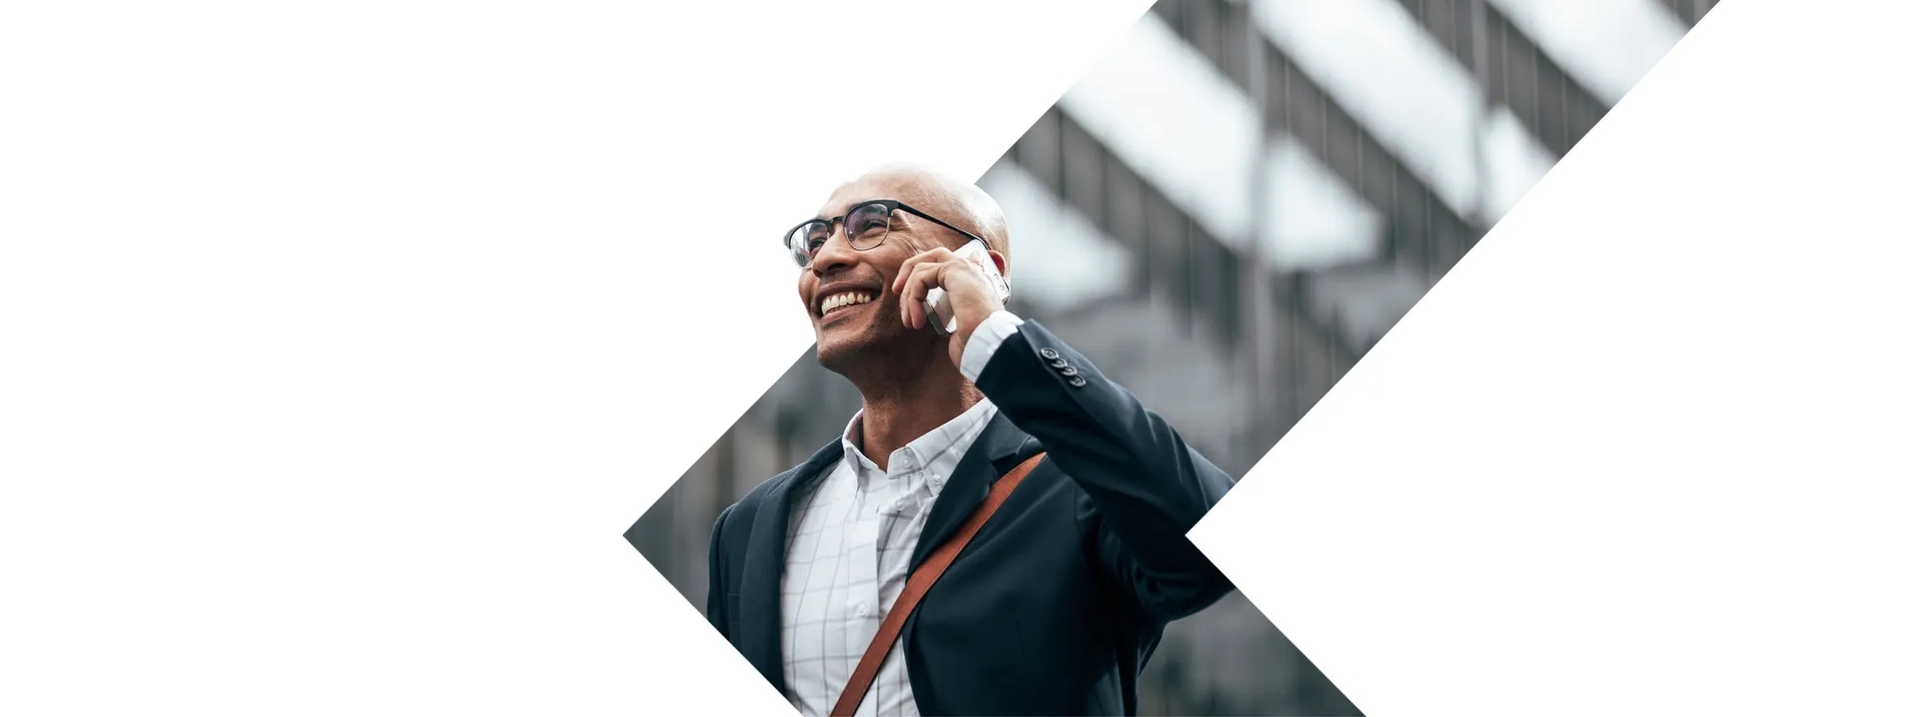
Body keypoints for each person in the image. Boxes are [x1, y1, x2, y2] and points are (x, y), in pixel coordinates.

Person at [705, 165, 1236, 716]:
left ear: (983, 269)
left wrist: (1002, 342)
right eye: (816, 240)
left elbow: (1203, 547)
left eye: (870, 225)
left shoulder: (1082, 491)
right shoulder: (749, 529)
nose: (825, 258)